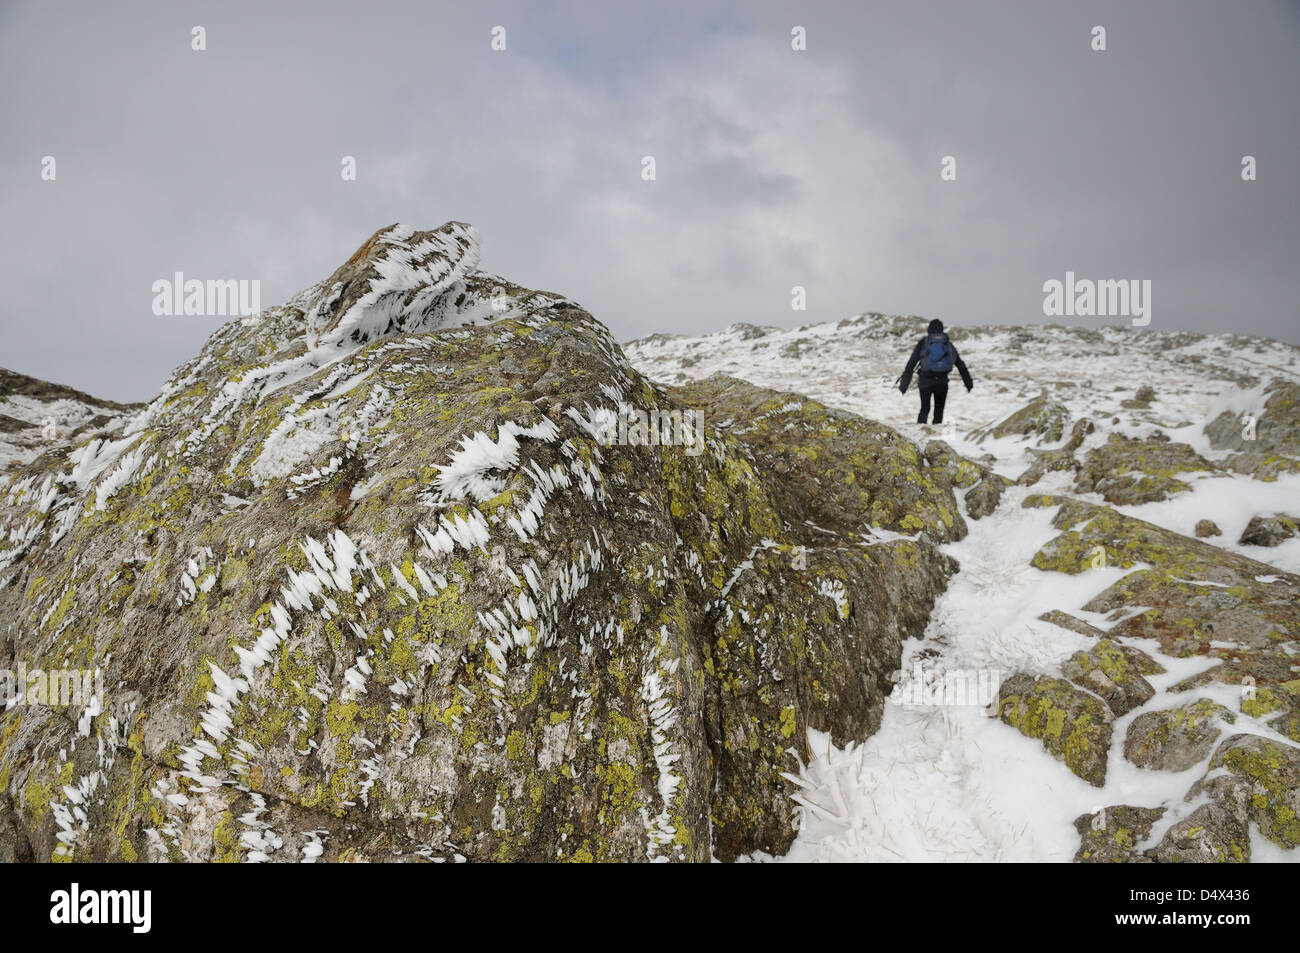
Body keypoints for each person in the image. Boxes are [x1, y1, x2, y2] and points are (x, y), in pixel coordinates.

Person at [897, 319, 973, 424]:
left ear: (929, 329)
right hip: (942, 382)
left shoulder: (924, 342)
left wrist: (903, 386)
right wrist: (968, 383)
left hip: (925, 381)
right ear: (942, 329)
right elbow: (960, 365)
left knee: (925, 409)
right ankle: (935, 436)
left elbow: (911, 364)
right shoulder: (947, 344)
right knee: (939, 411)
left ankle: (921, 433)